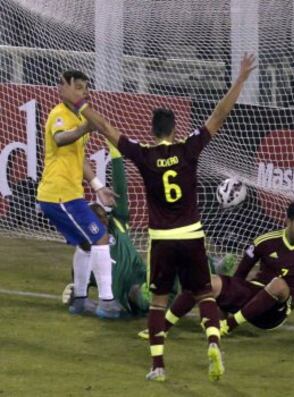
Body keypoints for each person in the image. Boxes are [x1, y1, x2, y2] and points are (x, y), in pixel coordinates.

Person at [59, 53, 256, 382]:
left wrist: (79, 103)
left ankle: (158, 367)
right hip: (192, 235)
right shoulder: (189, 148)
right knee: (204, 293)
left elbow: (106, 127)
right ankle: (213, 343)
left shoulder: (145, 154)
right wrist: (240, 80)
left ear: (152, 131)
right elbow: (219, 115)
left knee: (158, 303)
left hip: (163, 240)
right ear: (175, 129)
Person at [140, 200, 294, 337]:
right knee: (206, 281)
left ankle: (228, 326)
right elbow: (240, 276)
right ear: (287, 221)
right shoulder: (264, 242)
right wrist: (224, 302)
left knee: (278, 284)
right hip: (252, 297)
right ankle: (161, 328)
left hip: (276, 312)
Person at [37, 70, 121, 319]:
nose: (85, 92)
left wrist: (97, 187)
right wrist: (86, 126)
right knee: (101, 238)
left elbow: (79, 157)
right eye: (79, 87)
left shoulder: (74, 114)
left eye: (86, 87)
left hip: (67, 195)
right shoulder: (59, 114)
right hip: (59, 196)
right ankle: (107, 302)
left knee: (86, 245)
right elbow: (61, 139)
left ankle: (80, 300)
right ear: (63, 88)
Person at [63, 142, 149, 316]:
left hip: (143, 282)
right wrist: (76, 291)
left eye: (103, 216)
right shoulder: (92, 250)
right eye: (98, 219)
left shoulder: (118, 223)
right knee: (126, 300)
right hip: (122, 303)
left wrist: (116, 155)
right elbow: (82, 271)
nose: (103, 220)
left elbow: (121, 190)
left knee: (139, 292)